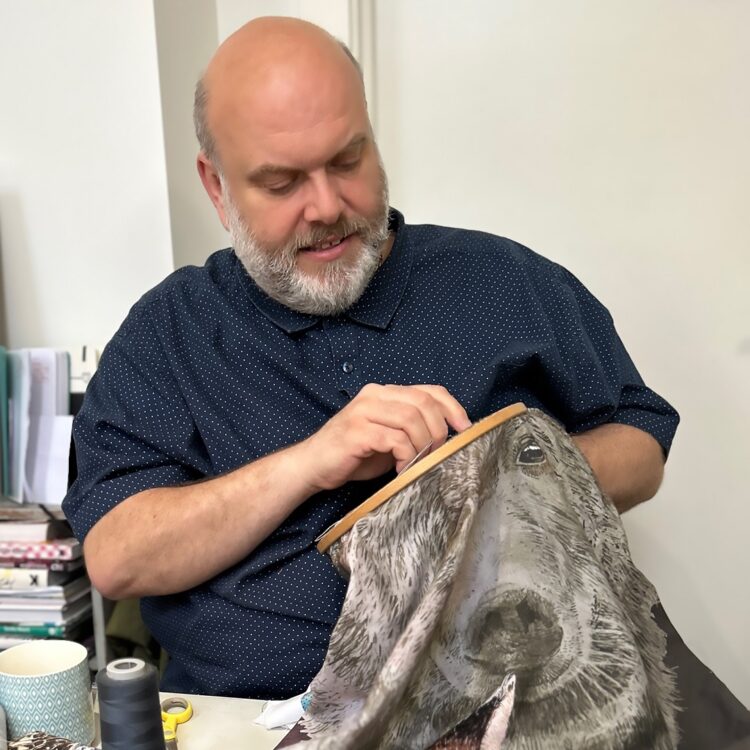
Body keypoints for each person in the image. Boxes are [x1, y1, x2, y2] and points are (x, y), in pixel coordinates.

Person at [63, 17, 679, 699]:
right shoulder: (169, 332)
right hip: (252, 722)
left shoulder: (500, 279)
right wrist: (309, 464)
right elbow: (117, 559)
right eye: (281, 183)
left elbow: (642, 444)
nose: (326, 206)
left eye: (347, 160)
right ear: (216, 186)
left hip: (515, 704)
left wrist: (507, 473)